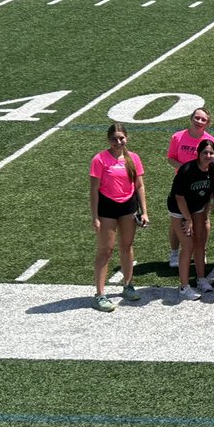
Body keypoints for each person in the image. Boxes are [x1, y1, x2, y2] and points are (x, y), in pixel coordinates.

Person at [90, 123, 148, 312]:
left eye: (121, 138)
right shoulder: (99, 159)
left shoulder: (134, 158)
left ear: (126, 138)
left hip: (128, 207)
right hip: (107, 208)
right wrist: (95, 217)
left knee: (127, 246)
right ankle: (99, 294)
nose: (118, 141)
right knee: (105, 250)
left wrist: (145, 211)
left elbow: (139, 186)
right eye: (114, 138)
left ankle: (128, 285)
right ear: (108, 140)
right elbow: (94, 190)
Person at [168, 140, 214, 299]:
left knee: (199, 241)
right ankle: (184, 287)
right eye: (205, 152)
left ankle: (201, 278)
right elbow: (179, 197)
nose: (208, 156)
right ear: (198, 153)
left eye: (211, 153)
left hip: (197, 207)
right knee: (188, 244)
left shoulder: (212, 169)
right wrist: (188, 219)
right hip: (179, 209)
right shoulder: (187, 169)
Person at [167, 106, 214, 267]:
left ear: (207, 123)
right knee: (177, 219)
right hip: (182, 185)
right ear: (191, 118)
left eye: (203, 119)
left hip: (201, 186)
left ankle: (201, 250)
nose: (199, 122)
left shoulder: (210, 140)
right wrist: (185, 171)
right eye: (197, 118)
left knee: (203, 219)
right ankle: (174, 253)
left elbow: (212, 163)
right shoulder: (178, 137)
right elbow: (171, 158)